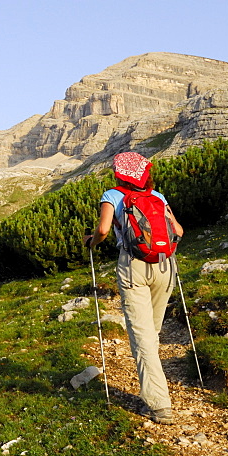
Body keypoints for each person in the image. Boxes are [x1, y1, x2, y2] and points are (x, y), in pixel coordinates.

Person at [84, 152, 184, 425]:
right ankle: (156, 383)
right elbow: (179, 230)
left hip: (133, 266)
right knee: (150, 331)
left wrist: (91, 242)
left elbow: (103, 230)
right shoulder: (159, 197)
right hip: (165, 266)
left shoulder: (112, 195)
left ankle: (159, 405)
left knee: (141, 337)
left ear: (119, 174)